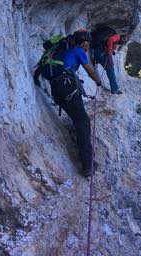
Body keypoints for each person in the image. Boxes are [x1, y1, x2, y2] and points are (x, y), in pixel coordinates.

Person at [34, 30, 101, 177]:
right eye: (88, 44)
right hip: (67, 86)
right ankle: (88, 165)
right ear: (84, 42)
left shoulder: (63, 52)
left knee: (78, 119)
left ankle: (85, 156)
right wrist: (98, 81)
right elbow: (89, 70)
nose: (88, 47)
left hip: (57, 89)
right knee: (83, 121)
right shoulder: (78, 50)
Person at [91, 25, 123, 94]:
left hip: (95, 51)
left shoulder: (104, 36)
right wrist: (109, 54)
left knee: (101, 64)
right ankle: (114, 89)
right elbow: (110, 40)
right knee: (110, 69)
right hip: (102, 52)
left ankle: (95, 60)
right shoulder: (117, 37)